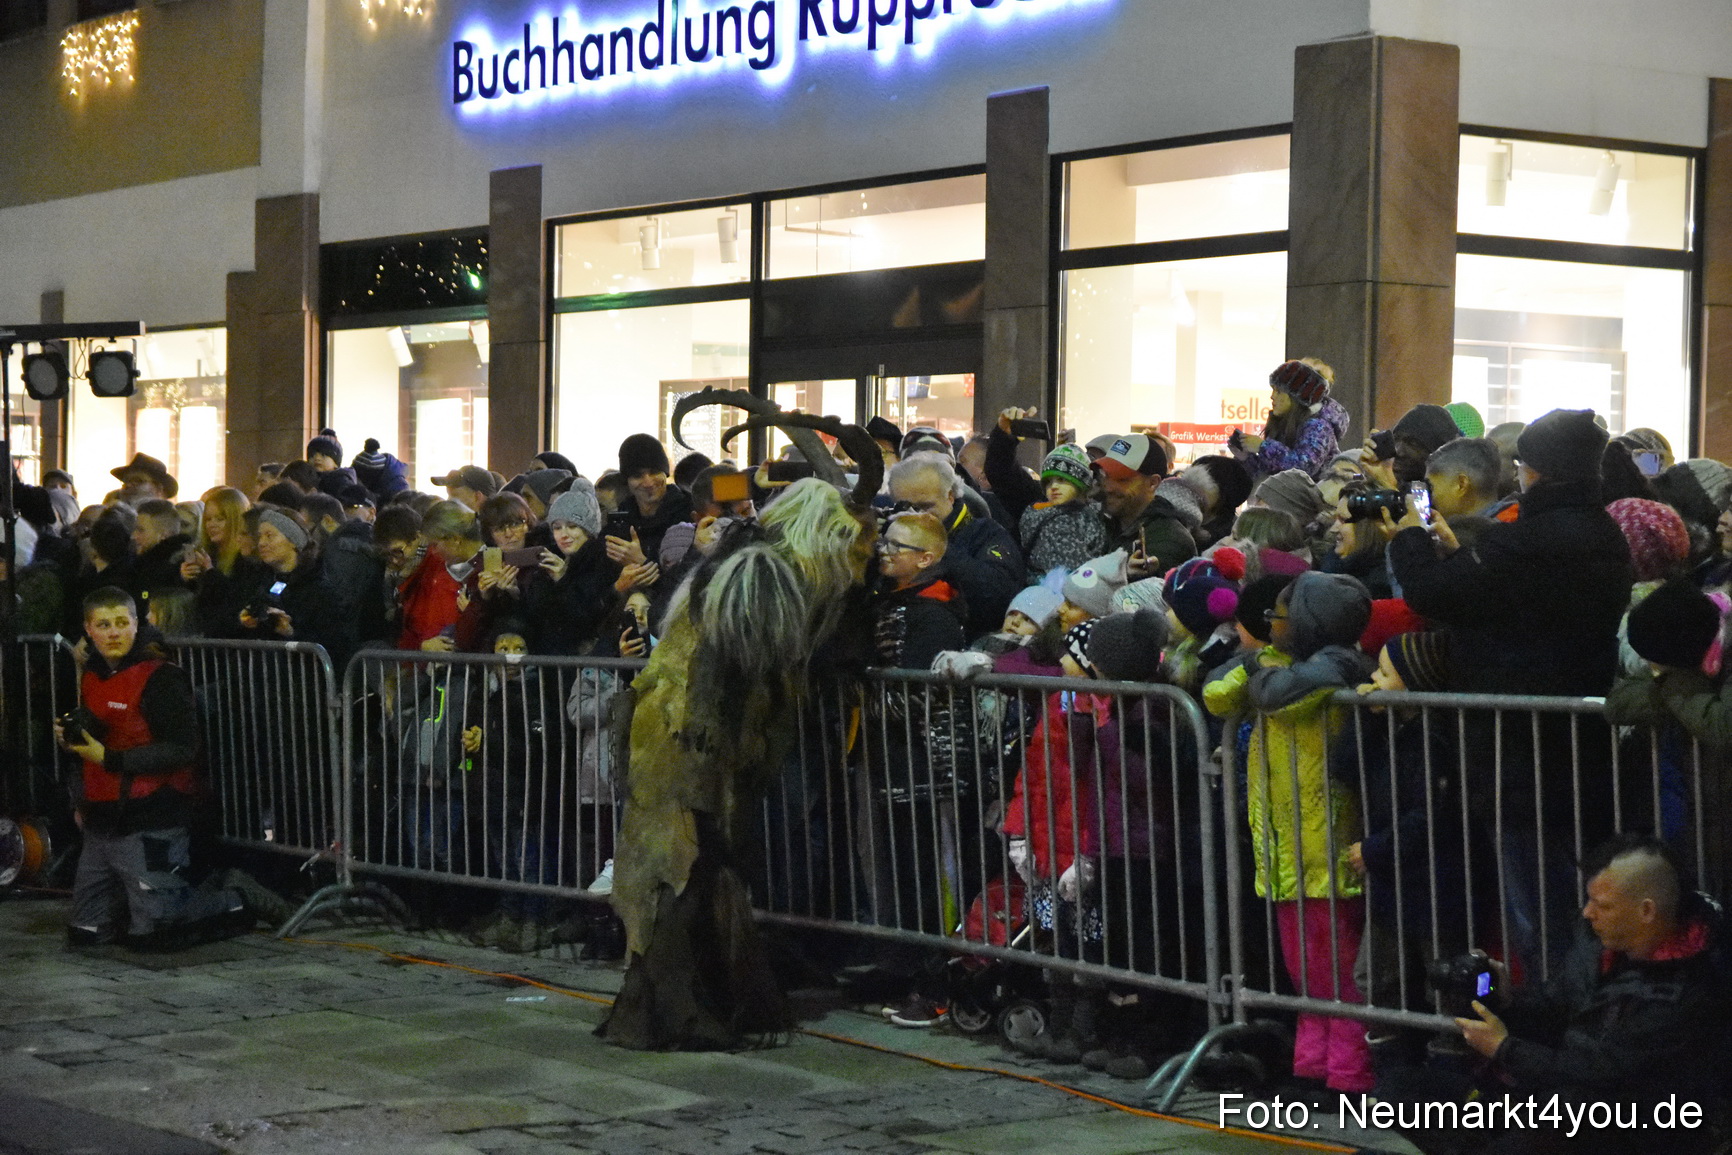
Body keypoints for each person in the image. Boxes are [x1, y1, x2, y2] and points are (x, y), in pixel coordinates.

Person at [600, 473, 879, 1051]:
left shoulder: (751, 561)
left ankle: (700, 1000)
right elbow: (744, 660)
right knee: (682, 867)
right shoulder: (761, 571)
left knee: (703, 866)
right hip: (688, 738)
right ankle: (672, 1009)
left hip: (692, 735)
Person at [1443, 836, 1729, 1155]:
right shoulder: (1598, 949)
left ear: (1646, 911)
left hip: (1632, 1128)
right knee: (1414, 1094)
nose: (1588, 912)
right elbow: (1553, 1009)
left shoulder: (1691, 991)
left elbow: (1601, 1071)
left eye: (1603, 905)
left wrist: (1505, 1049)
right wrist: (1506, 1001)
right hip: (1565, 1103)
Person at [1204, 571, 1376, 1095]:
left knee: (1336, 971)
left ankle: (1348, 1075)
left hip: (1324, 845)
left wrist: (1259, 668)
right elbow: (1215, 694)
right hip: (1285, 845)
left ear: (1306, 623)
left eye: (1277, 616)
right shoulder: (1286, 662)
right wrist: (1260, 662)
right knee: (1304, 969)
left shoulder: (1336, 666)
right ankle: (1310, 1066)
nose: (1268, 625)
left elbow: (1278, 697)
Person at [60, 588, 261, 948]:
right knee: (86, 931)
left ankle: (234, 898)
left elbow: (183, 749)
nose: (114, 633)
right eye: (104, 625)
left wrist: (110, 758)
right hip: (104, 814)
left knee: (157, 934)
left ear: (136, 624)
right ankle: (138, 904)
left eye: (122, 623)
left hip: (152, 812)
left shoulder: (161, 676)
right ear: (88, 629)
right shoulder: (94, 672)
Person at [887, 453, 1022, 637]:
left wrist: (935, 546)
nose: (916, 516)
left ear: (950, 496)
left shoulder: (985, 533)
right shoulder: (889, 537)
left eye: (925, 507)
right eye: (905, 508)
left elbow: (1000, 597)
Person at [1230, 358, 1351, 484]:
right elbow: (1269, 476)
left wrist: (1262, 447)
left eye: (1279, 391)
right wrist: (1246, 458)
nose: (1272, 396)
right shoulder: (1282, 424)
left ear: (1296, 397)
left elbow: (1304, 467)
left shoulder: (1318, 426)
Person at [1016, 443, 1108, 580]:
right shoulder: (1052, 520)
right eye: (1048, 482)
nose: (1053, 486)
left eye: (1061, 480)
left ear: (1081, 484)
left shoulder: (1093, 514)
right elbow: (1071, 570)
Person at [1424, 437, 1503, 520]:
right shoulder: (1506, 520)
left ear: (1461, 484)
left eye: (1431, 488)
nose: (1427, 497)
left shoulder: (1490, 526)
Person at [110, 452, 178, 504]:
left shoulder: (173, 518)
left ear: (158, 489)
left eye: (138, 481)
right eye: (125, 481)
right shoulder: (111, 515)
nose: (128, 485)